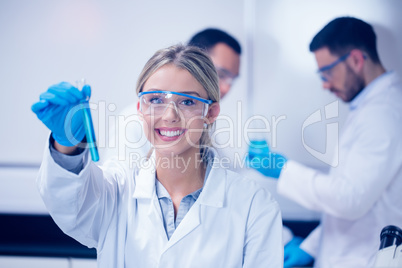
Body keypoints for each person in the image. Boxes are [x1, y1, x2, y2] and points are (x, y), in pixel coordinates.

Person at [31, 44, 283, 267]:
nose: (170, 115)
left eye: (187, 102)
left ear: (211, 112)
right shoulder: (116, 191)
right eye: (155, 100)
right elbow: (71, 206)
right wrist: (66, 144)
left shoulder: (254, 206)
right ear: (140, 108)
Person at [248, 16, 402, 267]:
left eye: (327, 72)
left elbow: (349, 199)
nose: (325, 84)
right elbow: (356, 204)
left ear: (356, 59)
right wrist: (311, 246)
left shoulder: (384, 113)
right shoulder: (367, 108)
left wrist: (283, 169)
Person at [102, 28, 241, 166]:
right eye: (221, 75)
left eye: (188, 102)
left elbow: (222, 175)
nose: (226, 88)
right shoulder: (132, 121)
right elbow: (119, 182)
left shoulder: (202, 123)